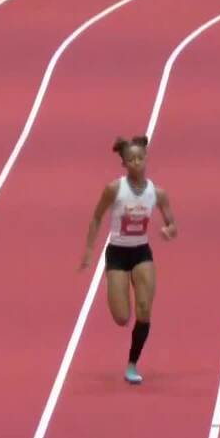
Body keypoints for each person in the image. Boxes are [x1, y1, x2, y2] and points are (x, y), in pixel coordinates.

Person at [80, 136, 178, 385]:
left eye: (140, 158)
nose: (136, 163)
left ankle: (132, 364)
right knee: (122, 317)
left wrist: (169, 230)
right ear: (124, 163)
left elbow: (172, 223)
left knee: (144, 309)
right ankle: (116, 288)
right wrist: (89, 250)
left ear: (146, 159)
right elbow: (96, 217)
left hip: (141, 252)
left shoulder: (157, 193)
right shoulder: (114, 189)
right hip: (117, 253)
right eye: (131, 159)